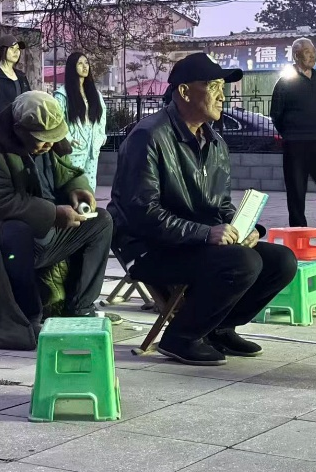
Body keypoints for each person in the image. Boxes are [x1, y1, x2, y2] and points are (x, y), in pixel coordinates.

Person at [108, 52, 298, 367]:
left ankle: (218, 328)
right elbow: (142, 213)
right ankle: (181, 337)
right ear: (184, 91)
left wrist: (243, 228)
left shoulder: (215, 142)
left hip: (195, 243)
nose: (223, 96)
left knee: (281, 261)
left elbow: (220, 206)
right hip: (149, 248)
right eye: (213, 87)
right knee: (243, 262)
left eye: (223, 87)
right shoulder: (148, 136)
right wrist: (205, 233)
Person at [0, 91, 112, 349]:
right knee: (16, 232)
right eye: (42, 140)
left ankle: (80, 307)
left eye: (52, 138)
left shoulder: (50, 141)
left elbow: (68, 170)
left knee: (101, 222)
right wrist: (53, 214)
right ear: (19, 130)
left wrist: (78, 188)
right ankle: (29, 317)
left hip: (45, 233)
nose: (49, 145)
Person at [270, 38, 316, 227]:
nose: (312, 55)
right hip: (295, 144)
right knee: (296, 192)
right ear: (296, 55)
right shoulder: (285, 82)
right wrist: (289, 134)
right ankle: (298, 230)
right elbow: (276, 114)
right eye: (308, 52)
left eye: (314, 52)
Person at [54, 52, 107, 190]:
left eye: (86, 63)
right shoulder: (63, 95)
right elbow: (58, 119)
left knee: (90, 185)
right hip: (75, 147)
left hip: (92, 146)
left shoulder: (95, 93)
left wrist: (101, 136)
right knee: (74, 185)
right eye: (80, 63)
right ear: (72, 67)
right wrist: (68, 138)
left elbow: (102, 116)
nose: (85, 66)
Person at [0, 35, 31, 126]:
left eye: (18, 49)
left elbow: (29, 99)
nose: (16, 52)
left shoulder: (21, 76)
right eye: (11, 48)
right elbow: (0, 108)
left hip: (20, 127)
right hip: (0, 129)